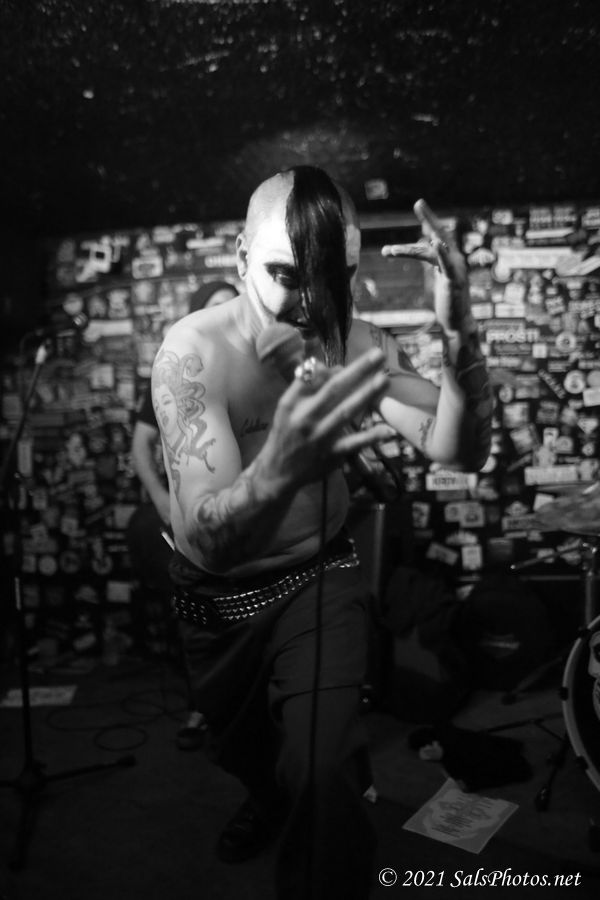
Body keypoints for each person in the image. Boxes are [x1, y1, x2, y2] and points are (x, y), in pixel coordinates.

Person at [151, 165, 492, 899]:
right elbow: (207, 540)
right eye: (285, 274)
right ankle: (267, 794)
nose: (311, 301)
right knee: (240, 749)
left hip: (318, 575)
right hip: (219, 599)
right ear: (241, 257)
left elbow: (460, 449)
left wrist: (460, 328)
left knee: (322, 764)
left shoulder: (355, 342)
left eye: (333, 277)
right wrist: (280, 466)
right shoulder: (194, 351)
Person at [129, 280, 239, 749]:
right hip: (191, 522)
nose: (225, 316)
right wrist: (158, 496)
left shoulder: (253, 367)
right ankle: (203, 703)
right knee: (196, 610)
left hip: (242, 517)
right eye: (215, 308)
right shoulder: (172, 368)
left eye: (232, 306)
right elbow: (140, 445)